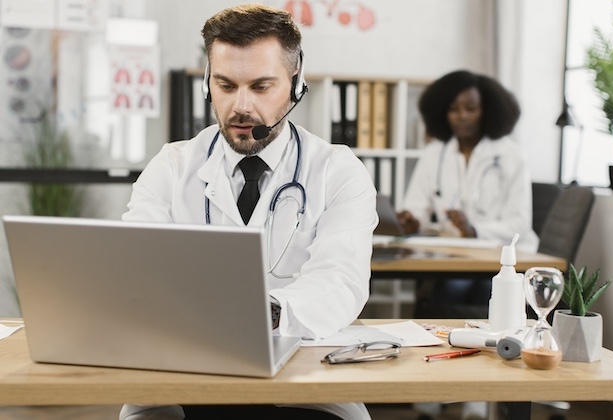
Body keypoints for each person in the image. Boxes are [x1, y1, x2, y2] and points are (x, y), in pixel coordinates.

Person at [119, 4, 377, 420]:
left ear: (296, 84)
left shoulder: (337, 170)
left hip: (303, 386)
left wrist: (262, 313)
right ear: (207, 83)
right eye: (225, 85)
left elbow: (340, 281)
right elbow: (134, 269)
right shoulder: (172, 166)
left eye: (260, 87)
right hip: (185, 379)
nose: (240, 107)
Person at [397, 70, 537, 420]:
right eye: (454, 109)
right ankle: (431, 397)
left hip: (502, 256)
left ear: (487, 110)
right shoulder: (435, 153)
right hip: (452, 256)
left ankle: (473, 402)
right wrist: (410, 220)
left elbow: (520, 222)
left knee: (465, 292)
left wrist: (475, 227)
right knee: (456, 288)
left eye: (470, 108)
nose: (461, 116)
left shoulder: (510, 156)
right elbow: (415, 207)